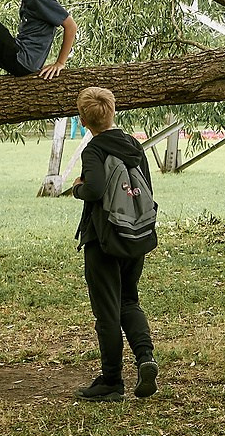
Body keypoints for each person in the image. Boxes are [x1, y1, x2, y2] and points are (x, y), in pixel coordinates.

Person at [67, 85, 158, 402]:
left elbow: (93, 189)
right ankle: (145, 357)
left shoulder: (94, 150)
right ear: (113, 111)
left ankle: (111, 381)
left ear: (84, 119)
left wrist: (77, 187)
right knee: (128, 301)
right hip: (135, 235)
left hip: (104, 240)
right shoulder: (133, 144)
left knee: (107, 312)